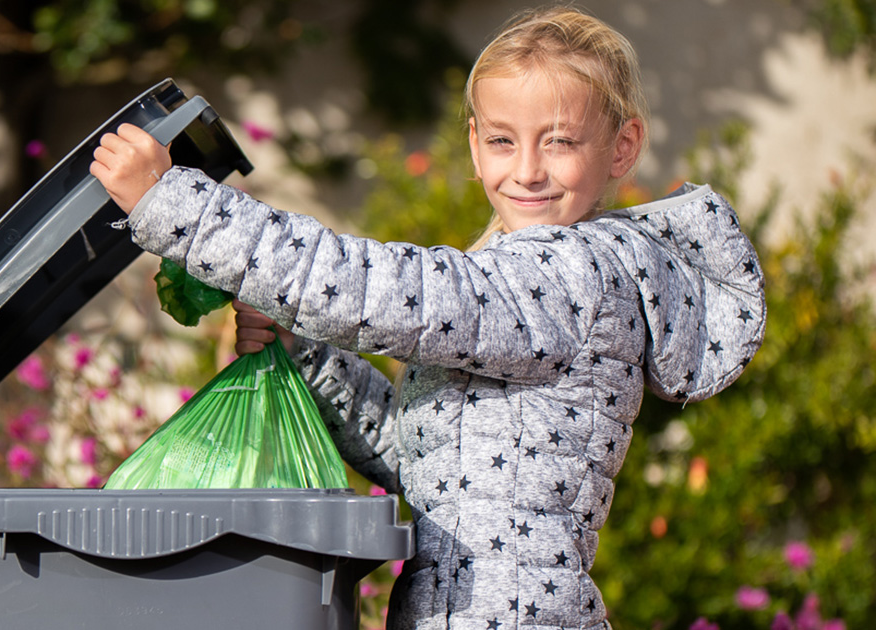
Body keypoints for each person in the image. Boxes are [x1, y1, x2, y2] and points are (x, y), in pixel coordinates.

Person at [91, 5, 766, 628]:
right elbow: (430, 466)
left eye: (559, 142)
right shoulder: (519, 277)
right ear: (474, 145)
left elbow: (375, 290)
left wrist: (181, 209)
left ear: (621, 147)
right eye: (503, 140)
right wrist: (308, 358)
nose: (527, 170)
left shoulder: (569, 277)